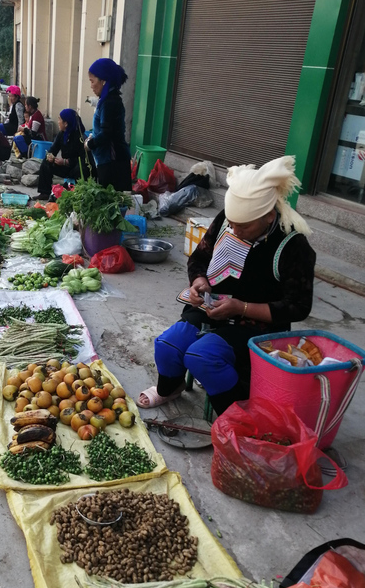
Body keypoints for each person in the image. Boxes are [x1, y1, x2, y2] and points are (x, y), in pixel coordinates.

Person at [137, 156, 316, 416]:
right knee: (168, 344)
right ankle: (170, 389)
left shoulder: (293, 246)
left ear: (268, 217)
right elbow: (199, 258)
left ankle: (234, 416)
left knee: (202, 356)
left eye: (243, 226)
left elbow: (297, 307)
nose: (234, 229)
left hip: (258, 326)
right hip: (215, 307)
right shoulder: (228, 220)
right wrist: (200, 283)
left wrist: (240, 308)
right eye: (231, 224)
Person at [86, 58, 131, 191]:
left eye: (92, 81)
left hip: (113, 162)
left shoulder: (109, 102)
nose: (91, 86)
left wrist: (89, 144)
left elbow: (106, 133)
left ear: (103, 81)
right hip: (109, 160)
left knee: (112, 202)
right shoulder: (108, 100)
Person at [35, 109, 88, 199]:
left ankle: (78, 192)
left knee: (80, 168)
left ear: (66, 123)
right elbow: (53, 149)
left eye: (60, 119)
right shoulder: (62, 134)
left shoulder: (80, 137)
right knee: (46, 163)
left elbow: (83, 159)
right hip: (66, 167)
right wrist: (50, 156)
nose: (58, 122)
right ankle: (44, 192)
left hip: (77, 169)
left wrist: (65, 162)